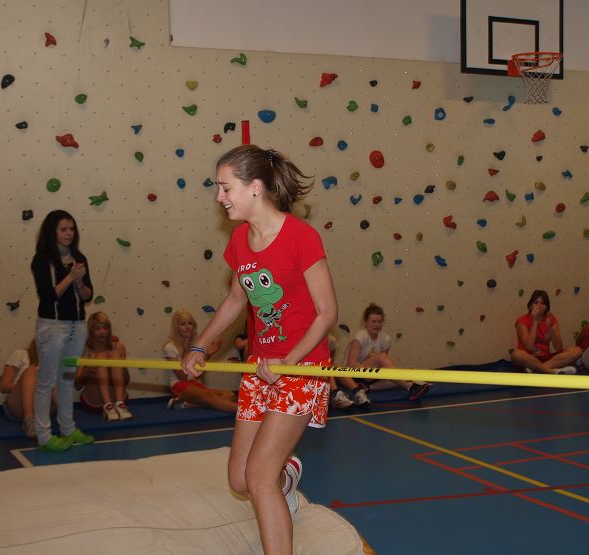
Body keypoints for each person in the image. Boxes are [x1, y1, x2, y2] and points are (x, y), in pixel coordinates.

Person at [181, 144, 338, 555]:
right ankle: (288, 475)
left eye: (225, 187)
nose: (219, 196)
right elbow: (236, 299)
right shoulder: (240, 240)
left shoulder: (301, 236)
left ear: (254, 187)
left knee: (259, 476)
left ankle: (275, 485)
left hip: (302, 367)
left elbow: (327, 312)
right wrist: (200, 345)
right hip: (260, 368)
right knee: (240, 480)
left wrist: (289, 362)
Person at [31, 210, 95, 451]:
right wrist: (70, 277)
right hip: (52, 325)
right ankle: (44, 436)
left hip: (77, 325)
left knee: (67, 380)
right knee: (46, 382)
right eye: (63, 229)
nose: (69, 234)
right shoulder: (42, 260)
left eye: (72, 229)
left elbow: (88, 296)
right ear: (52, 232)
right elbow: (47, 297)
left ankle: (68, 428)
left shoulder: (79, 258)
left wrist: (78, 281)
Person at [341, 303, 431, 405]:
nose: (376, 325)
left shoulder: (385, 339)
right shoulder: (360, 337)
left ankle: (368, 388)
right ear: (366, 322)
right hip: (355, 373)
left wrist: (378, 372)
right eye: (373, 322)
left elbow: (385, 364)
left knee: (397, 375)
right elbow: (351, 364)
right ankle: (411, 387)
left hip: (371, 377)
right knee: (384, 359)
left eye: (379, 322)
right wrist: (368, 371)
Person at [163, 309, 236, 412]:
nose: (187, 327)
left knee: (230, 396)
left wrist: (208, 355)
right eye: (183, 324)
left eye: (190, 323)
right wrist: (189, 354)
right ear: (176, 327)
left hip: (194, 383)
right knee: (212, 399)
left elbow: (198, 375)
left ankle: (186, 403)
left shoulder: (196, 345)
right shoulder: (170, 347)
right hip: (179, 384)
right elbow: (183, 378)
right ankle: (247, 412)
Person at [74, 312, 132, 421]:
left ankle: (119, 405)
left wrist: (124, 369)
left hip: (119, 402)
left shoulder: (119, 347)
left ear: (109, 329)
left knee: (115, 354)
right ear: (91, 330)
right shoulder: (85, 349)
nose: (102, 332)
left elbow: (126, 381)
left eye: (105, 328)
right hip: (94, 402)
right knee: (100, 356)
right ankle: (107, 405)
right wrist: (88, 371)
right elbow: (77, 385)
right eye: (97, 328)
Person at [510, 290, 581, 374]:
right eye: (536, 303)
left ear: (546, 307)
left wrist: (550, 328)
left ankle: (538, 370)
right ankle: (552, 371)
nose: (539, 306)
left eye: (542, 303)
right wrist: (535, 322)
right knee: (516, 354)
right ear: (530, 306)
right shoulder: (522, 320)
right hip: (529, 357)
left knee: (576, 351)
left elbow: (558, 347)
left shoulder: (551, 319)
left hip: (546, 357)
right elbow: (528, 347)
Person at [0, 339, 52, 438]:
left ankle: (66, 419)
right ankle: (29, 421)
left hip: (43, 408)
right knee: (31, 370)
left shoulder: (56, 359)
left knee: (52, 377)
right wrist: (31, 385)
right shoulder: (21, 354)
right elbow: (4, 387)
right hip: (18, 406)